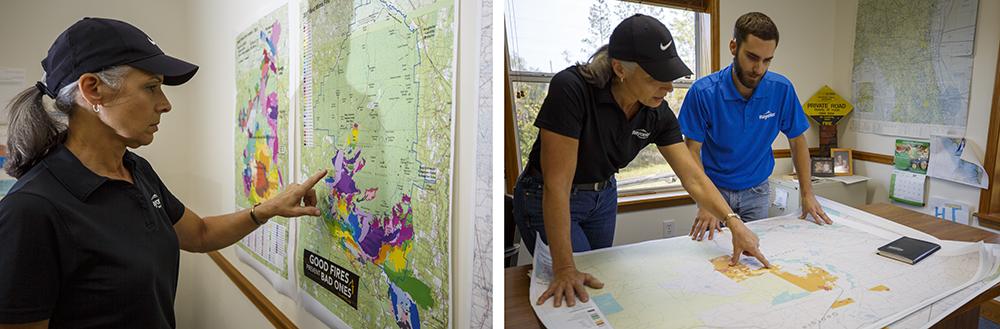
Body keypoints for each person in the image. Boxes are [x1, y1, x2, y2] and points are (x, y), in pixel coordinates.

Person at [0, 18, 326, 328]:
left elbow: (198, 234)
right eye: (151, 87)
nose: (165, 103)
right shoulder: (31, 210)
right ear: (93, 89)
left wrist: (268, 209)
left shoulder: (134, 169)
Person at [512, 14, 771, 308]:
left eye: (670, 77)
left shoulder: (656, 111)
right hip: (547, 193)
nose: (669, 88)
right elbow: (557, 185)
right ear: (620, 69)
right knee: (571, 286)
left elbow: (694, 178)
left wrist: (735, 224)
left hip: (603, 197)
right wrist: (564, 268)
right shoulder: (571, 89)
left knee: (595, 279)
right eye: (655, 79)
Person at [679, 12, 832, 242]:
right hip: (714, 190)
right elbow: (691, 151)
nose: (758, 68)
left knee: (754, 255)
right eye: (752, 57)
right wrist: (704, 202)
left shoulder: (781, 90)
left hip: (757, 190)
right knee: (714, 256)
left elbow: (798, 141)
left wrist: (807, 195)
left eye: (767, 60)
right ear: (733, 46)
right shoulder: (703, 93)